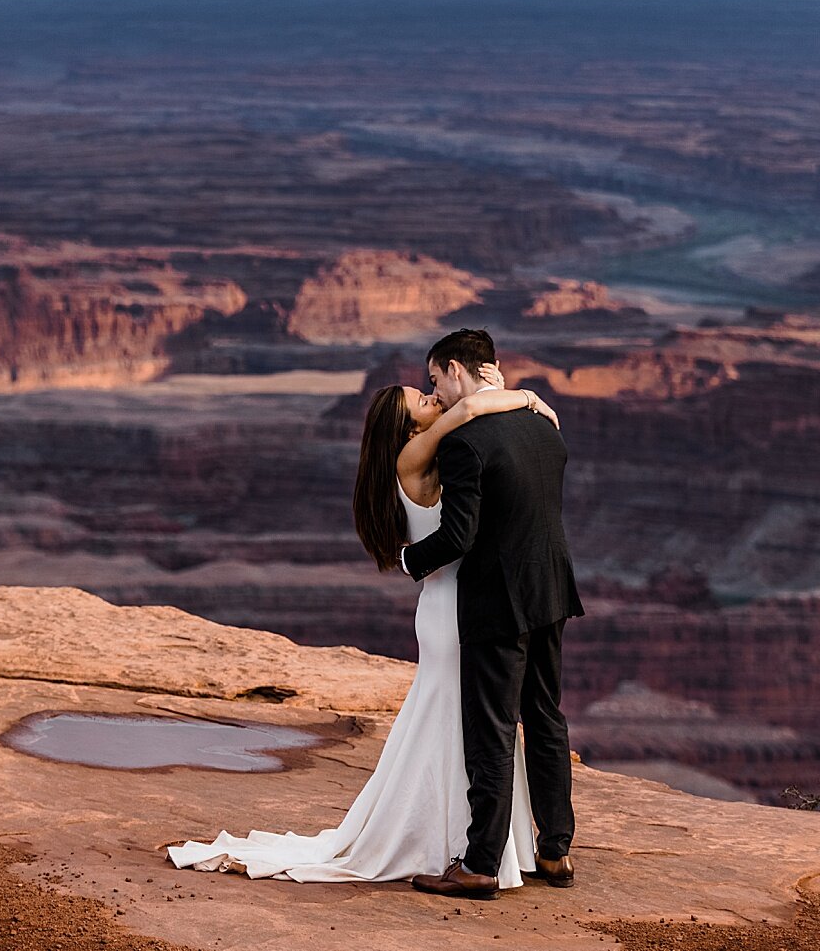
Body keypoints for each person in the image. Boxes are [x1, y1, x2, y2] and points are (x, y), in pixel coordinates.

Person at [164, 340, 563, 887]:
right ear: (404, 429)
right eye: (420, 401)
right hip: (457, 608)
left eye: (430, 388)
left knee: (467, 725)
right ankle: (467, 847)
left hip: (466, 601)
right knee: (478, 726)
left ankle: (476, 846)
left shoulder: (434, 452)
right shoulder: (415, 454)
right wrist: (525, 396)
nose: (430, 399)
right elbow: (469, 410)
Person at [404, 328, 584, 900]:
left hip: (496, 602)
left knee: (493, 729)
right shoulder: (544, 428)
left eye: (435, 379)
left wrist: (409, 559)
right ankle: (556, 851)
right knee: (546, 717)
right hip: (551, 591)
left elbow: (459, 536)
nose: (435, 391)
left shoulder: (466, 443)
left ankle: (481, 862)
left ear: (456, 369)